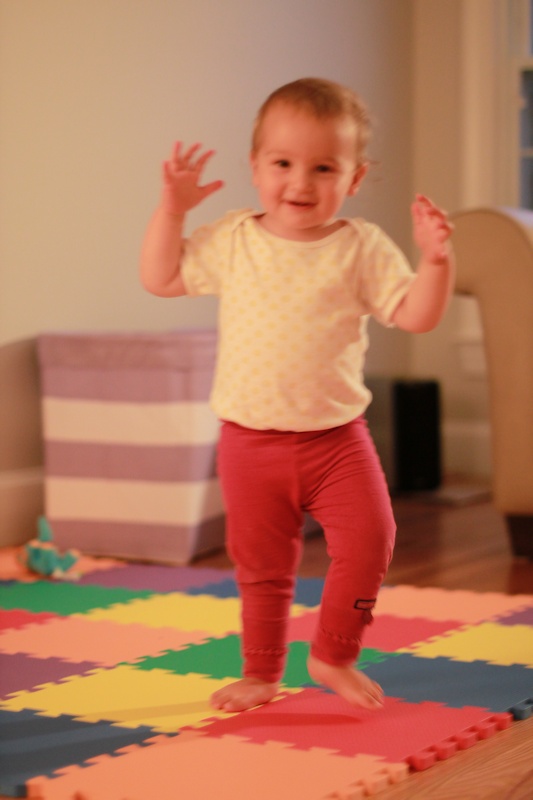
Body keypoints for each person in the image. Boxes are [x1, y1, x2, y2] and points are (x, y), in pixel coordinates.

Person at [140, 77, 454, 714]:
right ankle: (261, 674)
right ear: (255, 166)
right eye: (282, 163)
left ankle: (334, 653)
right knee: (262, 569)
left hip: (336, 440)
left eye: (324, 168)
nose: (300, 183)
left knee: (371, 538)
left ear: (355, 178)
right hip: (249, 442)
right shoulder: (234, 237)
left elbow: (415, 315)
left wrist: (436, 263)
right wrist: (172, 210)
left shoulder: (361, 247)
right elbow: (161, 277)